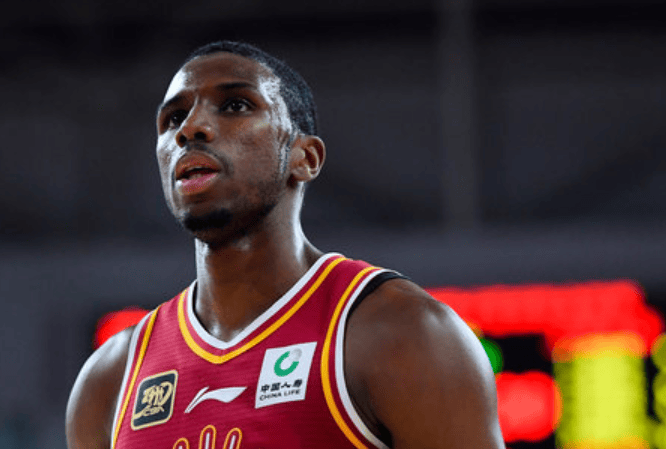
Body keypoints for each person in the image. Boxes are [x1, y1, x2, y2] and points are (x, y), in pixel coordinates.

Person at [66, 40, 505, 449]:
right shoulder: (110, 378)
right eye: (174, 118)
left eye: (235, 105)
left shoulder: (403, 332)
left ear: (305, 158)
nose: (190, 129)